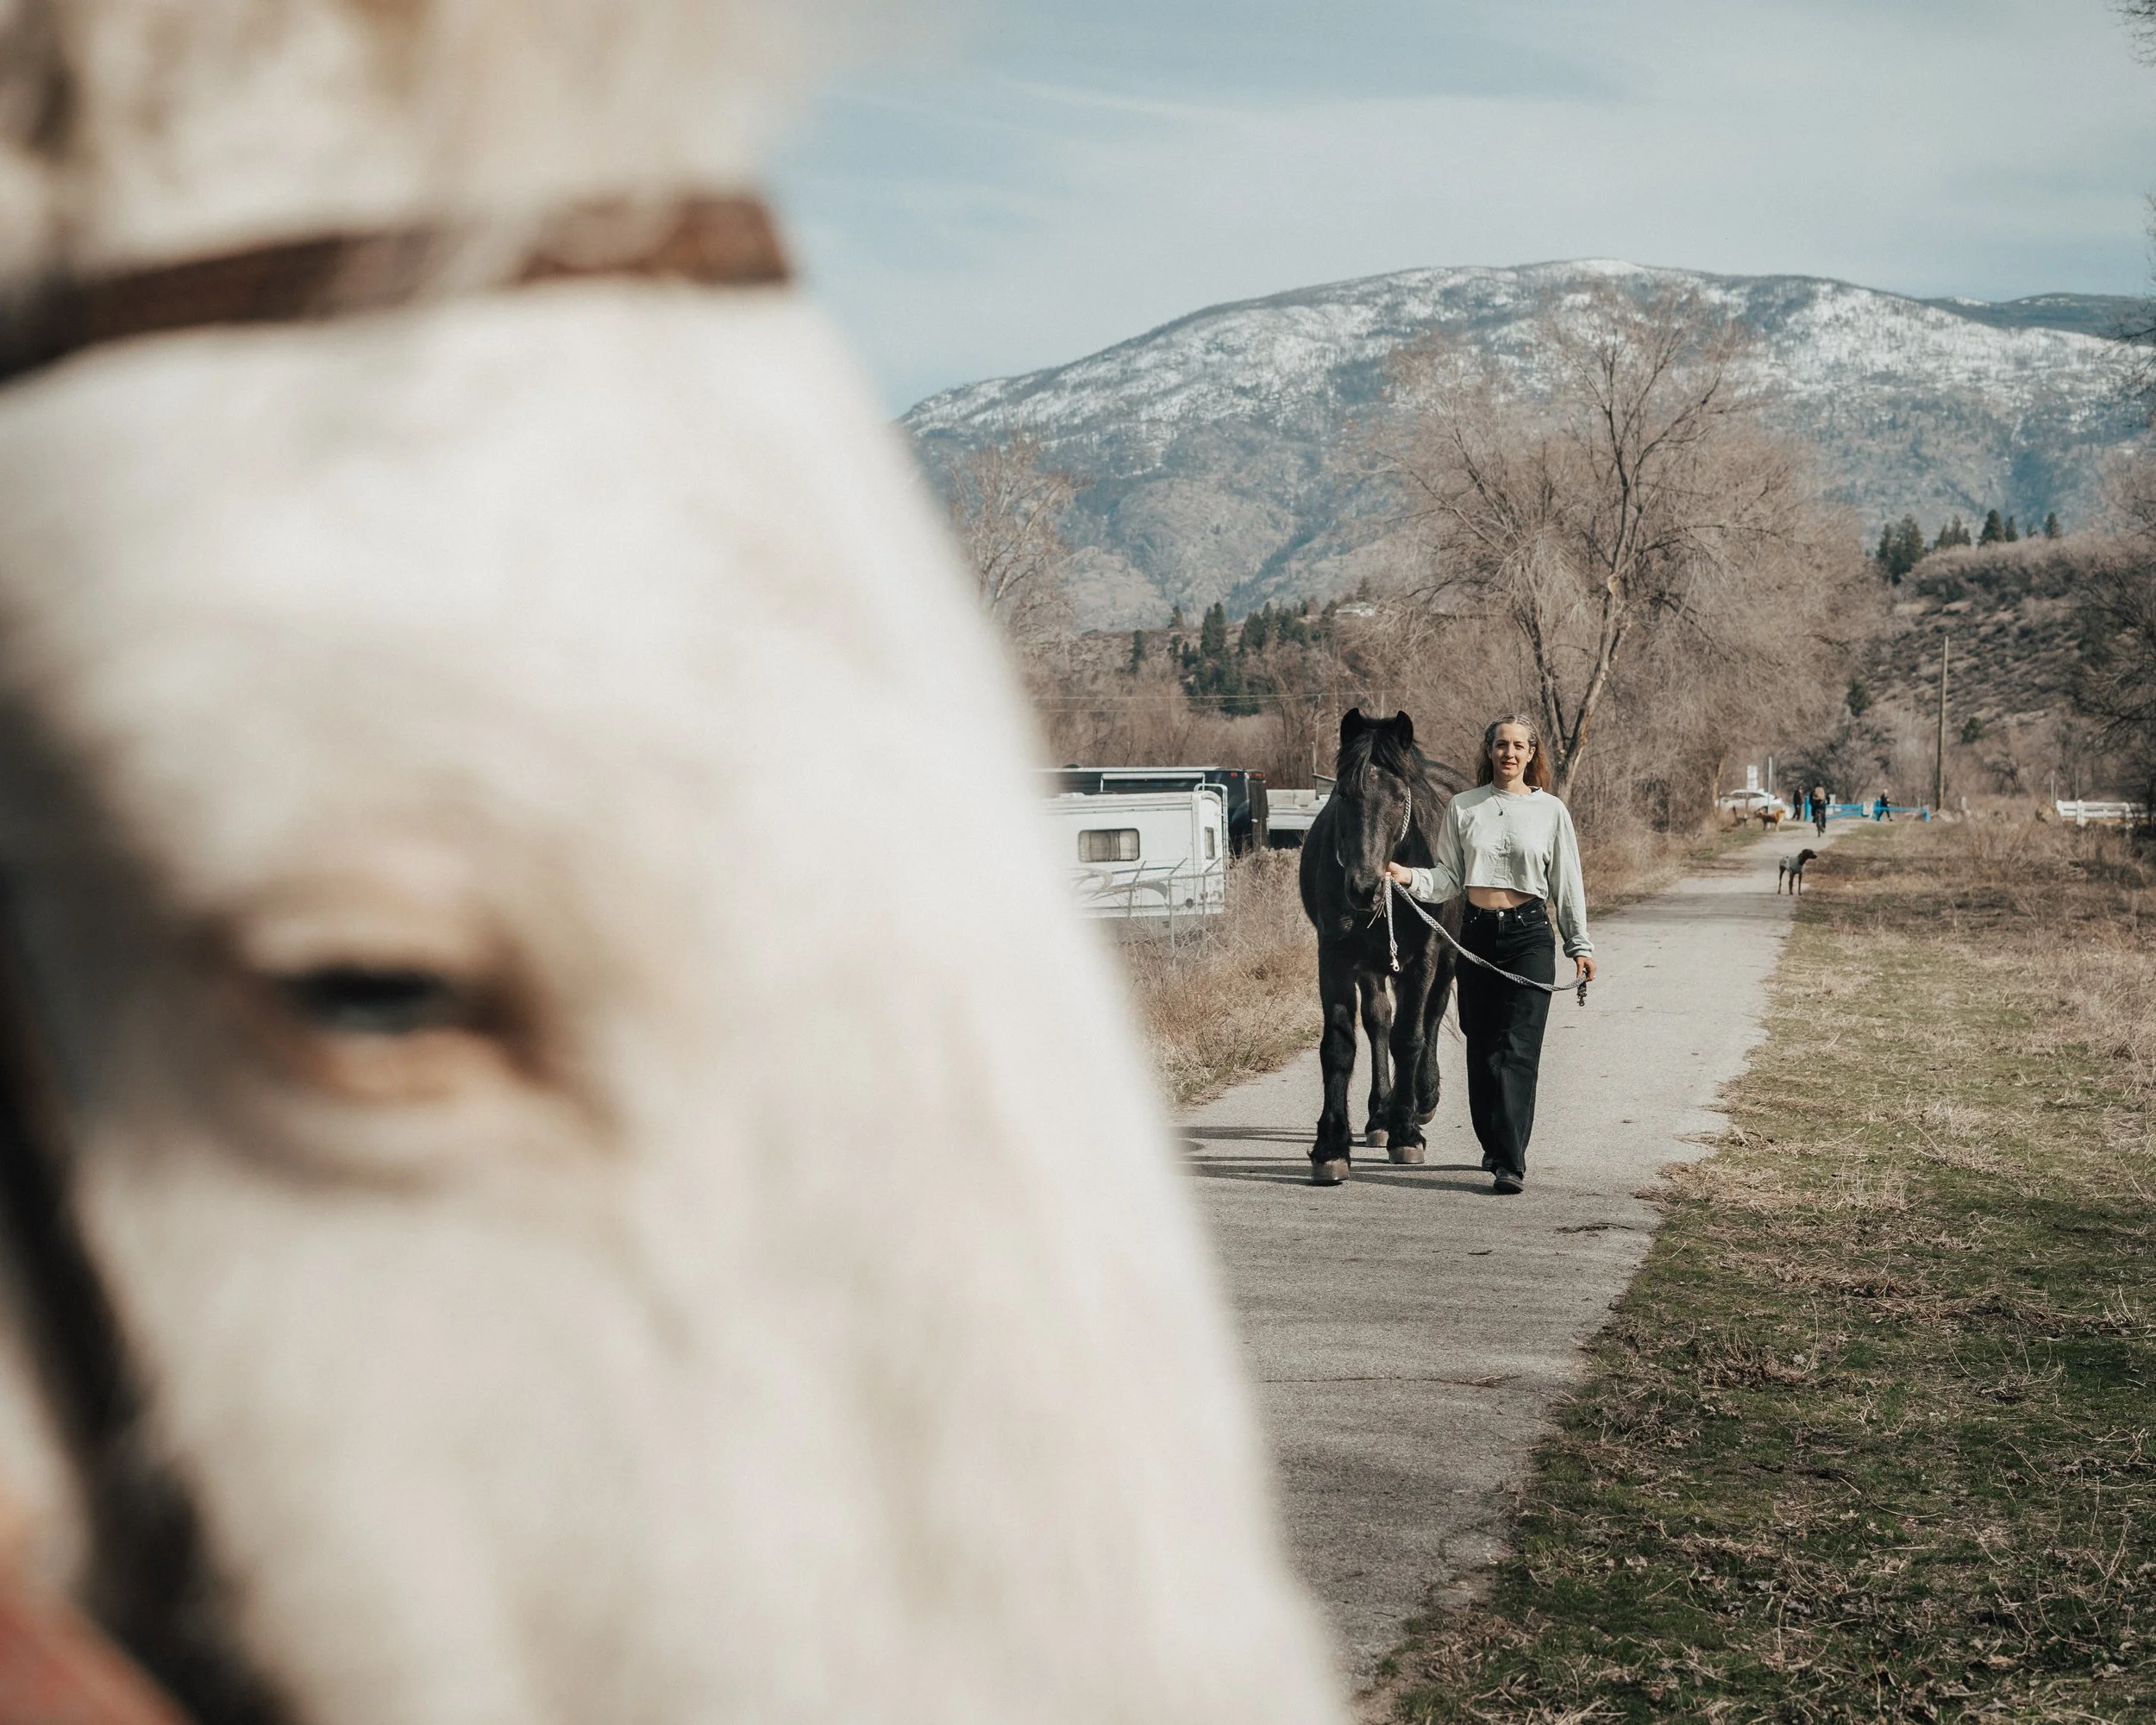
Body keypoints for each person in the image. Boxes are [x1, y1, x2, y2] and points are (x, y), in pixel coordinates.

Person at [1383, 717, 1595, 1195]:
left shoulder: (1551, 811)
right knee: (1481, 1048)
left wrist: (1578, 945)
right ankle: (1494, 1141)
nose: (1510, 753)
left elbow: (1567, 884)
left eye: (1519, 746)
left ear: (1532, 752)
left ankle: (1510, 1159)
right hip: (1475, 935)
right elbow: (1448, 879)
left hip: (1530, 936)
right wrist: (1409, 877)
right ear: (1490, 750)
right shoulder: (1464, 807)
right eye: (1502, 745)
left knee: (1518, 1050)